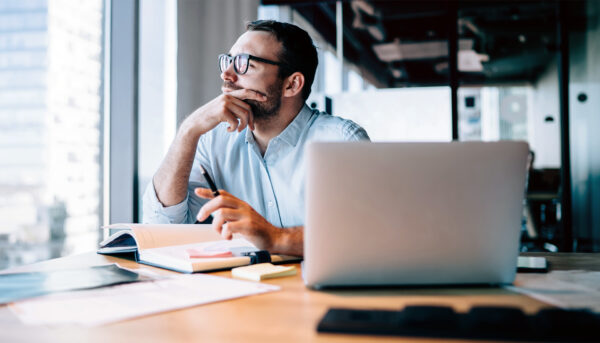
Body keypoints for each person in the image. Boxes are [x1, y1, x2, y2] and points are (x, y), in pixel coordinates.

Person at [143, 20, 369, 256]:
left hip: (314, 290)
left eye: (244, 64)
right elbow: (161, 225)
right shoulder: (212, 141)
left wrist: (275, 237)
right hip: (241, 287)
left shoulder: (342, 141)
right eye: (228, 60)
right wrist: (188, 130)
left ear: (292, 84)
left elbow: (364, 235)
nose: (227, 74)